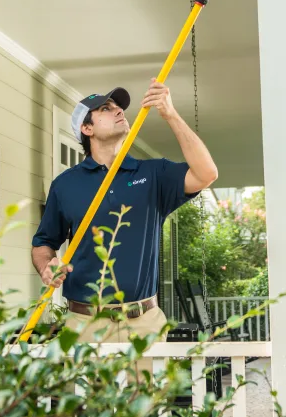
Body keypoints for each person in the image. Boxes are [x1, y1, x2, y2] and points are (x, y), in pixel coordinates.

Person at [31, 79, 218, 342]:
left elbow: (206, 173)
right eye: (106, 109)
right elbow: (43, 244)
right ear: (87, 128)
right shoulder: (65, 185)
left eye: (119, 107)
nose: (119, 111)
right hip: (85, 325)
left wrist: (170, 114)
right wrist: (46, 268)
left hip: (145, 323)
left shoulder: (153, 174)